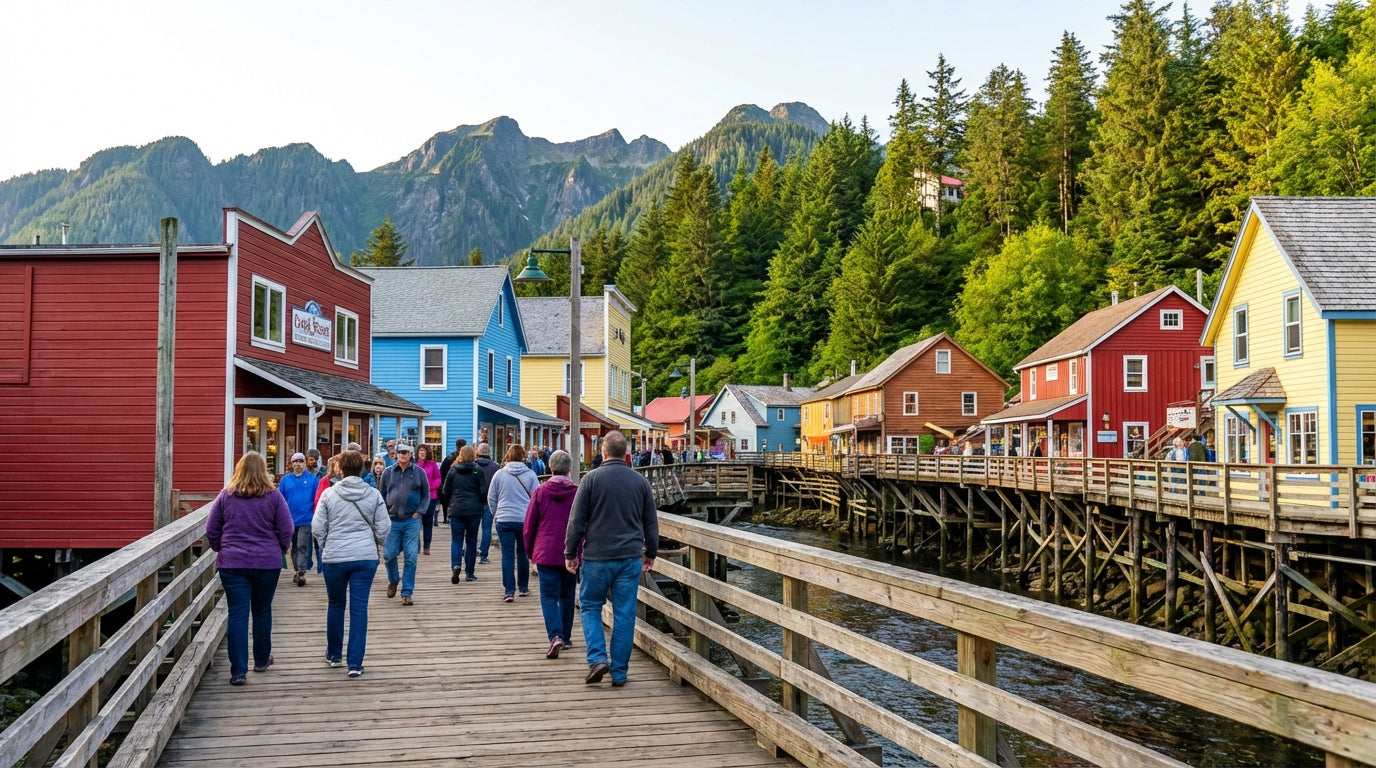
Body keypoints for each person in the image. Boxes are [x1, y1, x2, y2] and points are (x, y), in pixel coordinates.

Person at [565, 431, 658, 687]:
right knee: (625, 615)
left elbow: (576, 520)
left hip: (597, 556)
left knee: (591, 606)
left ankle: (597, 659)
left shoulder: (590, 479)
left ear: (603, 453)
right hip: (629, 557)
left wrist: (570, 553)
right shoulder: (640, 482)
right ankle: (619, 673)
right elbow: (651, 521)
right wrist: (651, 552)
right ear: (627, 455)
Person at [204, 451, 293, 686]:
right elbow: (287, 528)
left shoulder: (226, 496)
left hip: (233, 563)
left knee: (238, 614)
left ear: (239, 469)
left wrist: (220, 547)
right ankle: (262, 660)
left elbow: (212, 528)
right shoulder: (273, 497)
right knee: (262, 610)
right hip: (266, 562)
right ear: (263, 471)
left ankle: (238, 670)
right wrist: (279, 549)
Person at [312, 449, 390, 679]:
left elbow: (317, 527)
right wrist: (373, 541)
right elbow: (384, 527)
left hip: (335, 558)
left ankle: (334, 655)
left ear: (341, 470)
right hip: (364, 558)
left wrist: (328, 544)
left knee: (336, 604)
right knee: (359, 609)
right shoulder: (373, 494)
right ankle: (355, 663)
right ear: (363, 469)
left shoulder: (328, 494)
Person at [524, 450, 579, 658]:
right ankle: (565, 637)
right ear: (569, 469)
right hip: (570, 552)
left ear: (550, 467)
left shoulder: (541, 492)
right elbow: (585, 523)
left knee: (548, 596)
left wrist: (530, 551)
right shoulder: (577, 492)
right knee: (567, 594)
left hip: (545, 551)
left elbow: (529, 525)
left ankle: (554, 636)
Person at [487, 444, 539, 602]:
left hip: (504, 518)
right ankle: (523, 588)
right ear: (523, 456)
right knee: (523, 553)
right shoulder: (530, 475)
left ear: (508, 456)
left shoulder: (499, 474)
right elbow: (537, 498)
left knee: (507, 555)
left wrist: (496, 512)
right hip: (524, 519)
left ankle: (509, 591)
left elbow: (491, 497)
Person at [379, 442, 428, 606]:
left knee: (411, 557)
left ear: (411, 454)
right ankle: (393, 579)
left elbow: (426, 494)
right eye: (400, 452)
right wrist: (384, 513)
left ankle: (407, 593)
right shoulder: (388, 472)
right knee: (388, 554)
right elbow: (382, 494)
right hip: (392, 520)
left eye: (405, 452)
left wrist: (419, 511)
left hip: (411, 520)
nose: (402, 455)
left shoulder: (419, 473)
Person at [441, 445, 488, 583]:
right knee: (471, 540)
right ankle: (469, 572)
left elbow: (445, 491)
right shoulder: (478, 470)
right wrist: (481, 503)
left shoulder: (453, 471)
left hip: (457, 510)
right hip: (474, 510)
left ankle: (456, 564)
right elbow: (483, 491)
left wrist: (450, 503)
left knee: (456, 540)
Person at [278, 452, 317, 587]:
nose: (298, 464)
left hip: (306, 519)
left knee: (302, 546)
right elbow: (280, 500)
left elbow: (317, 499)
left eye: (301, 461)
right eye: (295, 461)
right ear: (292, 464)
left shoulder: (312, 480)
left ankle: (301, 572)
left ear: (305, 463)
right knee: (293, 547)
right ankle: (296, 569)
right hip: (289, 519)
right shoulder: (285, 480)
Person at [474, 443, 500, 564]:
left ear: (478, 452)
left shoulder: (473, 465)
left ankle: (471, 551)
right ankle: (484, 555)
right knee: (487, 528)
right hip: (489, 501)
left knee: (473, 528)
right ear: (489, 453)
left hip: (474, 501)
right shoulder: (495, 467)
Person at [415, 443, 441, 555]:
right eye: (420, 450)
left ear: (427, 452)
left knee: (428, 522)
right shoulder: (414, 465)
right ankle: (416, 546)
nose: (422, 452)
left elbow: (438, 478)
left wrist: (431, 486)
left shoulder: (432, 464)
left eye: (424, 450)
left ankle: (427, 546)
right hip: (416, 496)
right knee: (415, 522)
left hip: (431, 496)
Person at [438, 438, 468, 523]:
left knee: (447, 502)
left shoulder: (449, 458)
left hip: (450, 483)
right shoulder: (468, 460)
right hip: (462, 485)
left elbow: (442, 471)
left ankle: (446, 518)